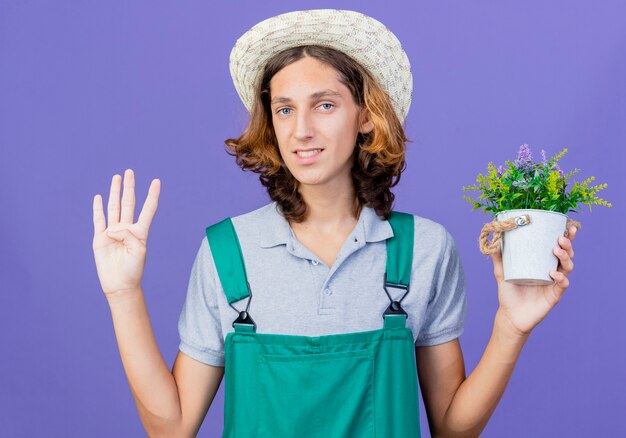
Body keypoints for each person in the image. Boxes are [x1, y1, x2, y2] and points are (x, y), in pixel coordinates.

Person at [91, 9, 578, 438]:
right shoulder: (227, 250)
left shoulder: (422, 249)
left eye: (324, 104)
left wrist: (510, 327)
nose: (301, 129)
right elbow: (171, 428)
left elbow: (453, 427)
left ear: (365, 115)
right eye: (284, 109)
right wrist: (123, 294)